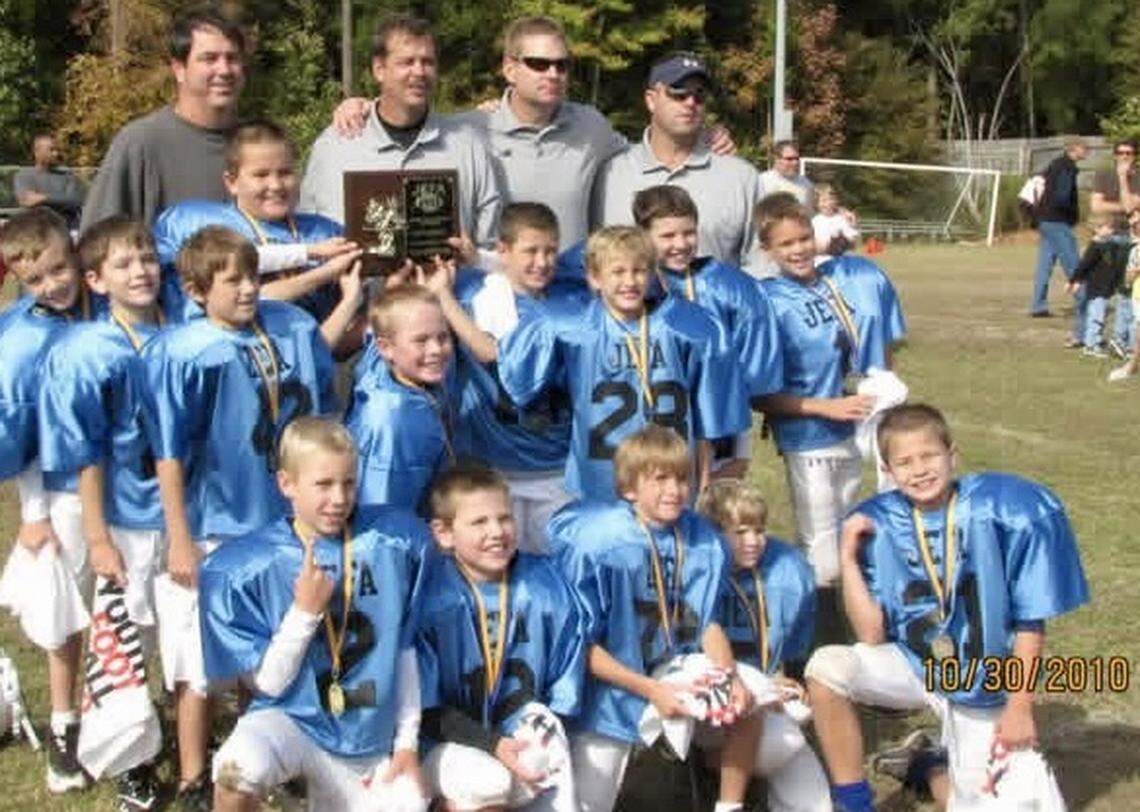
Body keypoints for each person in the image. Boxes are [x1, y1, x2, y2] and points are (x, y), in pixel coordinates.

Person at [805, 403, 1089, 811]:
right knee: (826, 668)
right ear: (887, 470)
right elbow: (870, 634)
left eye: (929, 456)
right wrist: (848, 558)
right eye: (905, 462)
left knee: (984, 804)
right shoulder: (878, 523)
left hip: (983, 679)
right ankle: (854, 804)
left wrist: (1020, 708)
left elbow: (1030, 622)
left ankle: (929, 766)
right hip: (915, 664)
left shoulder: (1003, 510)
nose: (919, 470)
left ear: (952, 456)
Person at [144, 225, 337, 806]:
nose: (250, 290)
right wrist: (179, 536)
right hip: (217, 523)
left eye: (255, 277)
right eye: (233, 281)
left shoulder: (291, 328)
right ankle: (192, 772)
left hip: (280, 520)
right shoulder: (181, 350)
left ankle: (265, 755)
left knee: (275, 645)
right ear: (197, 290)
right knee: (196, 660)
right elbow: (169, 454)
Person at [200, 417, 430, 812]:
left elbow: (405, 649)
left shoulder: (394, 541)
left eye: (349, 483)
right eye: (323, 485)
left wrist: (407, 742)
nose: (339, 498)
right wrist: (304, 613)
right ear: (287, 484)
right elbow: (268, 685)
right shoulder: (250, 564)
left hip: (369, 733)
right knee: (234, 769)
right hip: (294, 718)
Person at [36, 216, 183, 808]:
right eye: (123, 264)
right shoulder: (84, 351)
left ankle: (184, 738)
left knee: (180, 637)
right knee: (125, 642)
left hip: (188, 512)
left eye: (146, 258)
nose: (141, 271)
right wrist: (96, 537)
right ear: (95, 280)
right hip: (127, 515)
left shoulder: (183, 330)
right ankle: (131, 758)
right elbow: (85, 454)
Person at [550, 426, 760, 812]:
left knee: (759, 710)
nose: (675, 490)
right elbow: (581, 647)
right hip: (612, 687)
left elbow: (706, 622)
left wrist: (730, 676)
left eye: (682, 478)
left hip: (674, 668)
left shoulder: (700, 537)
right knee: (584, 802)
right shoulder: (599, 542)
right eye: (660, 479)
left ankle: (730, 804)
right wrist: (649, 689)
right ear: (629, 489)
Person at [497, 225, 749, 501]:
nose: (629, 281)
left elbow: (706, 417)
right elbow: (519, 383)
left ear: (652, 273)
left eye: (639, 271)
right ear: (594, 277)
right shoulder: (569, 328)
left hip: (672, 475)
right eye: (618, 272)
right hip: (601, 475)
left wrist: (703, 474)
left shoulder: (688, 326)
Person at [754, 193, 901, 624]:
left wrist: (883, 386)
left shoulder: (841, 280)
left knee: (854, 535)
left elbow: (879, 345)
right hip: (810, 437)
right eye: (786, 244)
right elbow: (759, 393)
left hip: (858, 427)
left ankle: (856, 629)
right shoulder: (768, 300)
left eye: (803, 238)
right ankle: (816, 646)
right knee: (820, 549)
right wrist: (827, 407)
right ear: (768, 250)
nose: (798, 250)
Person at [417, 463, 585, 810]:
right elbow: (426, 711)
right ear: (444, 533)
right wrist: (493, 744)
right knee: (488, 782)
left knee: (546, 735)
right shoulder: (431, 595)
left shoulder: (544, 585)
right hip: (441, 743)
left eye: (504, 518)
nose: (496, 531)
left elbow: (562, 691)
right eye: (479, 522)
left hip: (515, 733)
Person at [429, 202, 588, 551]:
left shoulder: (571, 298)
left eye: (550, 251)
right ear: (504, 250)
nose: (543, 262)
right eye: (530, 251)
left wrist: (476, 263)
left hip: (555, 465)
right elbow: (488, 353)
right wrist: (447, 289)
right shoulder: (479, 295)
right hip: (494, 464)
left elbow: (597, 260)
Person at [0, 208, 90, 795]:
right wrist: (32, 512)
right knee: (67, 616)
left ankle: (129, 718)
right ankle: (65, 730)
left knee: (132, 611)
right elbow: (14, 429)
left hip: (133, 487)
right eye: (37, 279)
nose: (54, 285)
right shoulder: (23, 336)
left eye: (60, 268)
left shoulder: (105, 303)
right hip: (63, 491)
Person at [153, 121, 365, 350]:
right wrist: (322, 273)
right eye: (261, 175)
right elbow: (199, 316)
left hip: (308, 374)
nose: (275, 185)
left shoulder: (326, 233)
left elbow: (341, 343)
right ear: (231, 182)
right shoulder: (195, 225)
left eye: (285, 173)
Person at [300, 14, 500, 246]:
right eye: (407, 62)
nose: (419, 72)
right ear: (379, 70)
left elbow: (490, 244)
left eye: (428, 62)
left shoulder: (468, 148)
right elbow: (309, 234)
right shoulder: (335, 145)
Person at [697, 479, 831, 812]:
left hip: (764, 695)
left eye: (759, 529)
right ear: (712, 533)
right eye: (740, 531)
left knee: (813, 795)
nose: (754, 541)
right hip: (708, 696)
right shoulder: (696, 570)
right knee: (782, 745)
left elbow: (796, 644)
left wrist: (789, 679)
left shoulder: (788, 569)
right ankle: (712, 767)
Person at [631, 184, 783, 478]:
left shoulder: (730, 287)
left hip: (719, 420)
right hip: (653, 416)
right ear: (642, 235)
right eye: (667, 235)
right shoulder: (630, 284)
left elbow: (754, 370)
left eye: (688, 232)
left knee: (717, 506)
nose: (681, 243)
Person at [591, 53, 763, 272]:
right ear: (651, 100)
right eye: (678, 93)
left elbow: (761, 263)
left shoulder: (742, 178)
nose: (690, 102)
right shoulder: (610, 174)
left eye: (699, 95)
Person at [81, 6, 246, 230]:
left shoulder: (258, 144)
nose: (224, 70)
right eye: (209, 59)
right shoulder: (140, 144)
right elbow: (96, 243)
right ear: (179, 69)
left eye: (232, 58)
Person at [345, 284, 455, 514]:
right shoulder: (392, 422)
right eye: (421, 340)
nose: (436, 349)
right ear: (385, 348)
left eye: (443, 337)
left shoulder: (396, 368)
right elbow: (383, 514)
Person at [1028, 136, 1086, 332]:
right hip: (1057, 221)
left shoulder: (1055, 164)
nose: (1086, 151)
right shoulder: (1066, 167)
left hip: (1045, 219)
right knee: (1073, 263)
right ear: (1074, 149)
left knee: (1045, 264)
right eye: (1083, 148)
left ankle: (1038, 305)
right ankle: (1084, 300)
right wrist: (1072, 214)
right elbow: (1062, 196)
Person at [1065, 213, 1129, 358]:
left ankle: (1097, 341)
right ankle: (1091, 345)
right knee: (1096, 316)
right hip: (1096, 288)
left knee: (1101, 316)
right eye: (1108, 228)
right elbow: (1084, 266)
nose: (1112, 231)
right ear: (1097, 229)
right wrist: (1074, 281)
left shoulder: (1110, 245)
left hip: (1106, 288)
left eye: (1112, 228)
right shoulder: (1095, 247)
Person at [13, 133, 86, 228]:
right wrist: (60, 200)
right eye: (51, 150)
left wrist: (43, 198)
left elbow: (74, 200)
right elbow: (26, 201)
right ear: (37, 152)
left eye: (57, 150)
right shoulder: (24, 175)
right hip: (35, 229)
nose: (56, 154)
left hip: (65, 228)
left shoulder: (67, 175)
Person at [1090, 137, 1140, 236]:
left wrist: (1122, 177)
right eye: (1120, 153)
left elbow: (1128, 207)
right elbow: (1095, 206)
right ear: (1115, 156)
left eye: (1128, 153)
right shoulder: (1103, 175)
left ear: (1134, 156)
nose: (1124, 156)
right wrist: (1125, 205)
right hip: (1107, 230)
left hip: (1133, 232)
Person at [758, 140, 815, 209]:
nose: (795, 163)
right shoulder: (762, 182)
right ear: (776, 159)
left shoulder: (806, 184)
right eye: (789, 159)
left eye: (797, 159)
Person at [811, 183, 859, 259]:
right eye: (824, 200)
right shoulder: (815, 221)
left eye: (832, 199)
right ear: (816, 203)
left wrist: (845, 240)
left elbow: (853, 243)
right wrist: (828, 245)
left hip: (844, 260)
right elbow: (813, 247)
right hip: (823, 261)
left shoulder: (843, 218)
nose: (828, 203)